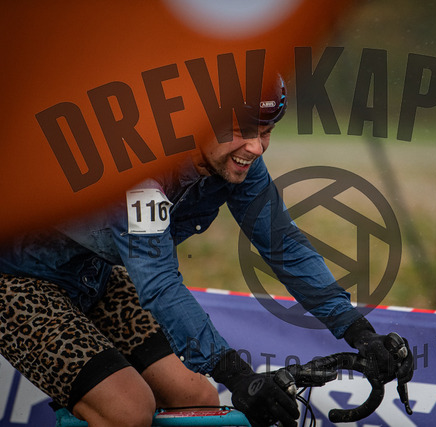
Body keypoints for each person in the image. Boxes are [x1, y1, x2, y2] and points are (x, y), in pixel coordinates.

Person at [0, 74, 413, 427]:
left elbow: (283, 245)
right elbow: (160, 284)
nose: (256, 147)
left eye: (266, 131)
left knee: (197, 399)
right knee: (127, 409)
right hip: (18, 281)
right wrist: (238, 375)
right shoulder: (140, 170)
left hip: (95, 274)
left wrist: (359, 331)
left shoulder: (234, 160)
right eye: (242, 129)